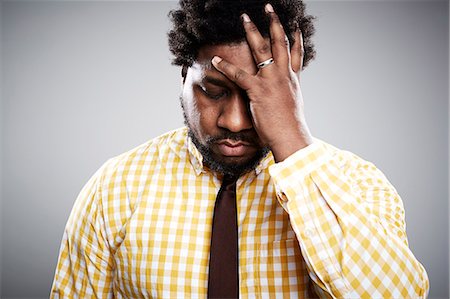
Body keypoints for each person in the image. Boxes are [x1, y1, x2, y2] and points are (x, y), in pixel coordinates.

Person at [50, 0, 429, 298]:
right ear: (184, 77)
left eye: (258, 97)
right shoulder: (115, 187)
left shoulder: (358, 185)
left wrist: (292, 143)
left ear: (290, 91)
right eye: (213, 91)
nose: (234, 121)